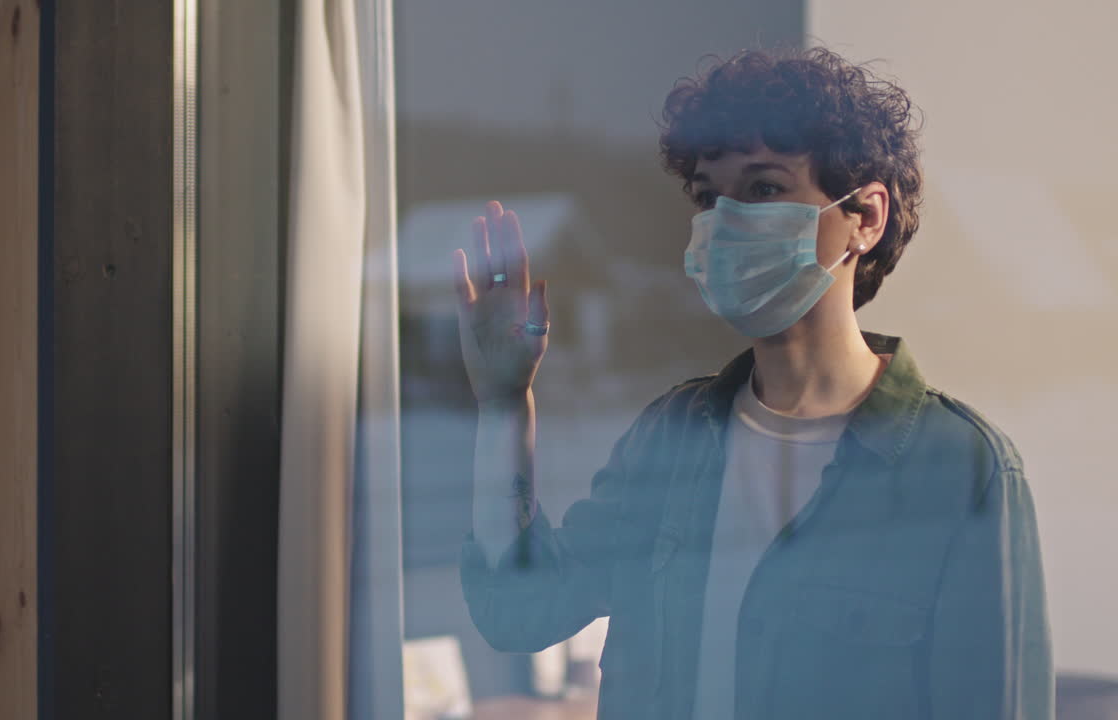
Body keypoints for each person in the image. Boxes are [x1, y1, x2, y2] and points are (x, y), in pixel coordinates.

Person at [451, 47, 1053, 719]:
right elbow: (519, 610)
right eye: (709, 196)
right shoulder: (670, 440)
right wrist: (503, 403)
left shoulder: (963, 470)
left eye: (764, 188)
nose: (725, 222)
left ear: (866, 217)